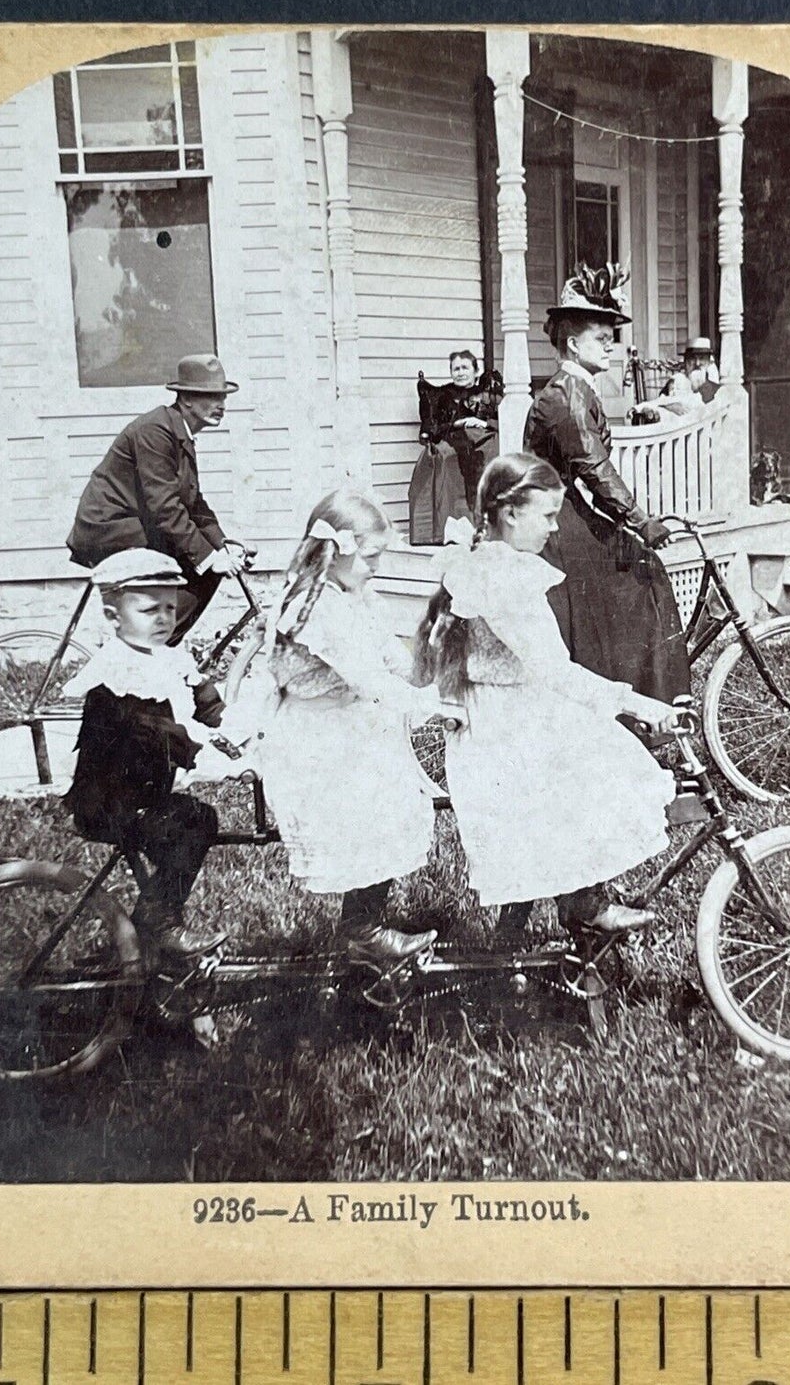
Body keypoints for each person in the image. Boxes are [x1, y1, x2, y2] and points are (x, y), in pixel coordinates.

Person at [414, 453, 677, 937]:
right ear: (510, 513)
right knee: (596, 770)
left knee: (589, 760)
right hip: (501, 729)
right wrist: (636, 702)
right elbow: (556, 672)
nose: (554, 530)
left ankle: (565, 908)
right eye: (548, 516)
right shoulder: (504, 579)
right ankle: (581, 906)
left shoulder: (491, 565)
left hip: (510, 712)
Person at [261, 489, 461, 965]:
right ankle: (363, 930)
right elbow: (368, 679)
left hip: (346, 724)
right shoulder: (315, 607)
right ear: (338, 551)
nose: (377, 567)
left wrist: (429, 648)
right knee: (379, 800)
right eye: (371, 557)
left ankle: (363, 927)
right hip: (313, 738)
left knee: (394, 793)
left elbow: (395, 666)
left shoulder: (354, 596)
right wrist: (429, 706)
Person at [523, 266, 690, 704]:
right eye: (601, 338)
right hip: (548, 519)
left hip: (564, 507)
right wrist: (641, 521)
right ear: (574, 344)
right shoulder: (566, 395)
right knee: (634, 573)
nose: (611, 346)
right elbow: (593, 466)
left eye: (610, 338)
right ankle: (630, 705)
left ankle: (645, 700)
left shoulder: (578, 389)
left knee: (637, 567)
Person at [62, 549, 227, 959]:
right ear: (114, 616)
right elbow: (157, 733)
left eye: (171, 608)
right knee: (194, 823)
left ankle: (135, 945)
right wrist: (214, 761)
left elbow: (207, 703)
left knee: (190, 819)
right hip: (108, 803)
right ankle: (160, 924)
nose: (164, 619)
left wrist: (239, 728)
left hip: (142, 797)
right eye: (149, 609)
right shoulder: (115, 673)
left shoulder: (169, 659)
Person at [67, 353, 254, 646]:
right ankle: (149, 652)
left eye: (223, 397)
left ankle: (158, 647)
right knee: (196, 566)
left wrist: (222, 544)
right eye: (210, 396)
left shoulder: (180, 433)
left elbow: (193, 503)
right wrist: (208, 557)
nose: (221, 405)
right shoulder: (156, 431)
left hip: (135, 526)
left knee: (203, 569)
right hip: (109, 530)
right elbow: (165, 507)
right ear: (186, 399)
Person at [418, 350, 502, 508]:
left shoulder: (487, 395)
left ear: (475, 371)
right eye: (456, 369)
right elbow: (433, 428)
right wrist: (459, 424)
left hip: (485, 445)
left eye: (465, 368)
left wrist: (483, 423)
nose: (461, 373)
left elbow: (506, 422)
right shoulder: (443, 397)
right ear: (451, 372)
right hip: (456, 446)